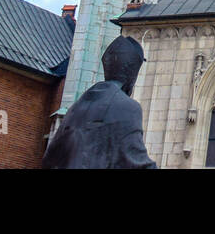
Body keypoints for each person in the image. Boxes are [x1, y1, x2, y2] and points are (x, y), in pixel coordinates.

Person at [42, 35, 157, 169]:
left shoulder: (77, 108)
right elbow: (138, 162)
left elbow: (49, 160)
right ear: (132, 74)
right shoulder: (127, 107)